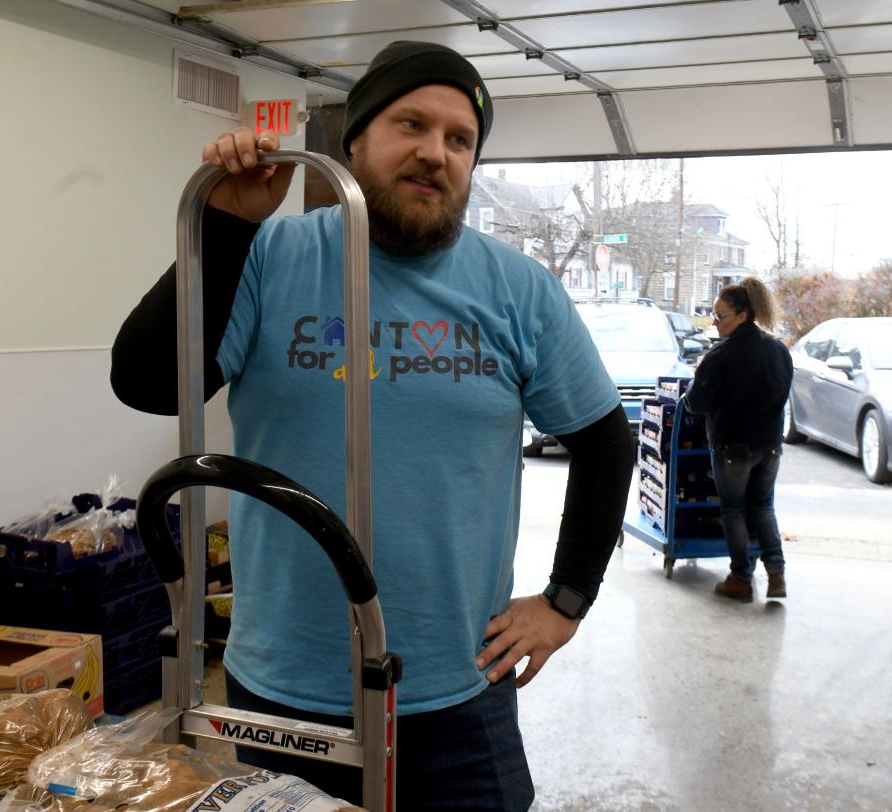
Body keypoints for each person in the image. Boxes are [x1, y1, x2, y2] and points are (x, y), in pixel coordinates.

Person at [111, 40, 633, 811]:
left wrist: (565, 601)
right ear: (354, 139)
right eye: (411, 125)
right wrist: (225, 227)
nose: (435, 153)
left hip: (457, 690)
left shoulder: (518, 289)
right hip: (281, 686)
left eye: (460, 139)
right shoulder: (270, 255)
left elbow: (603, 441)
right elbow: (148, 384)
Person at [682, 278, 794, 603]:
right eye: (713, 315)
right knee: (763, 506)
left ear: (743, 314)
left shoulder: (720, 356)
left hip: (733, 448)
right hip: (770, 446)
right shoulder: (778, 350)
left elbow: (697, 403)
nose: (714, 323)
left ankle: (741, 579)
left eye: (721, 316)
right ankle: (776, 574)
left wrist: (691, 395)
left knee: (734, 511)